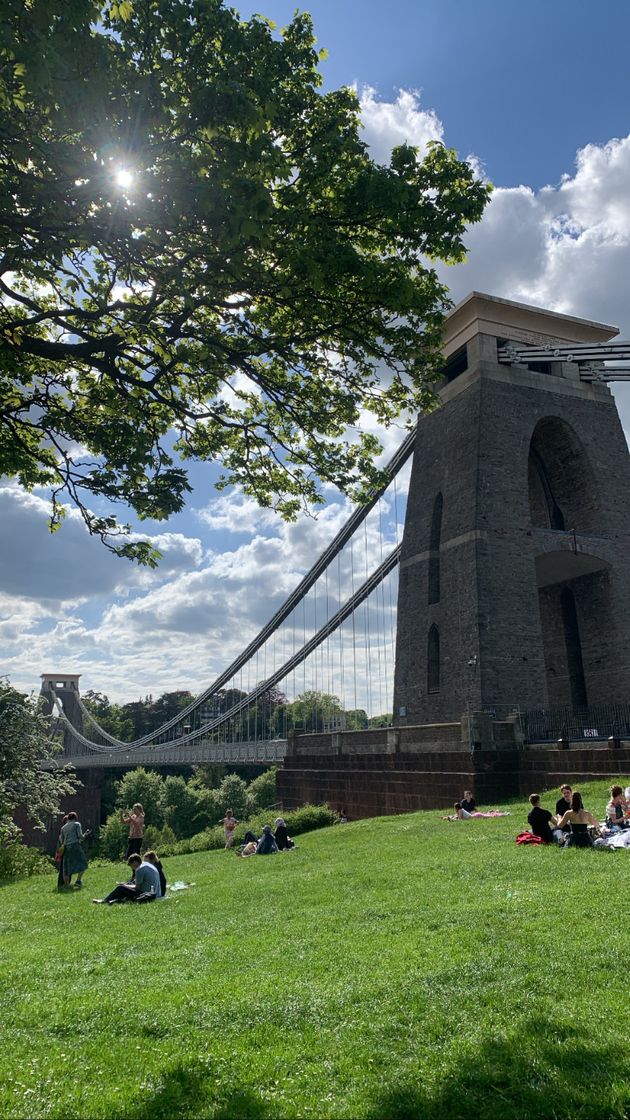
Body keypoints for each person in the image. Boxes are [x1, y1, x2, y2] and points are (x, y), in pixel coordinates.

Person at [93, 854, 160, 903]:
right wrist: (127, 885)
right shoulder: (147, 864)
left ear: (134, 863)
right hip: (156, 893)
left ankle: (104, 901)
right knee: (127, 885)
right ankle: (114, 900)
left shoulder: (139, 869)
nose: (132, 868)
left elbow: (137, 888)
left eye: (131, 866)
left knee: (120, 888)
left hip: (146, 894)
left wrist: (124, 885)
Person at [60, 811, 89, 889]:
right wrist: (85, 835)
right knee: (83, 862)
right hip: (75, 845)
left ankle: (66, 885)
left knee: (66, 866)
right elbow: (80, 836)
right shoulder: (77, 824)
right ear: (75, 818)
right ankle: (78, 881)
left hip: (66, 847)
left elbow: (61, 840)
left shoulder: (63, 828)